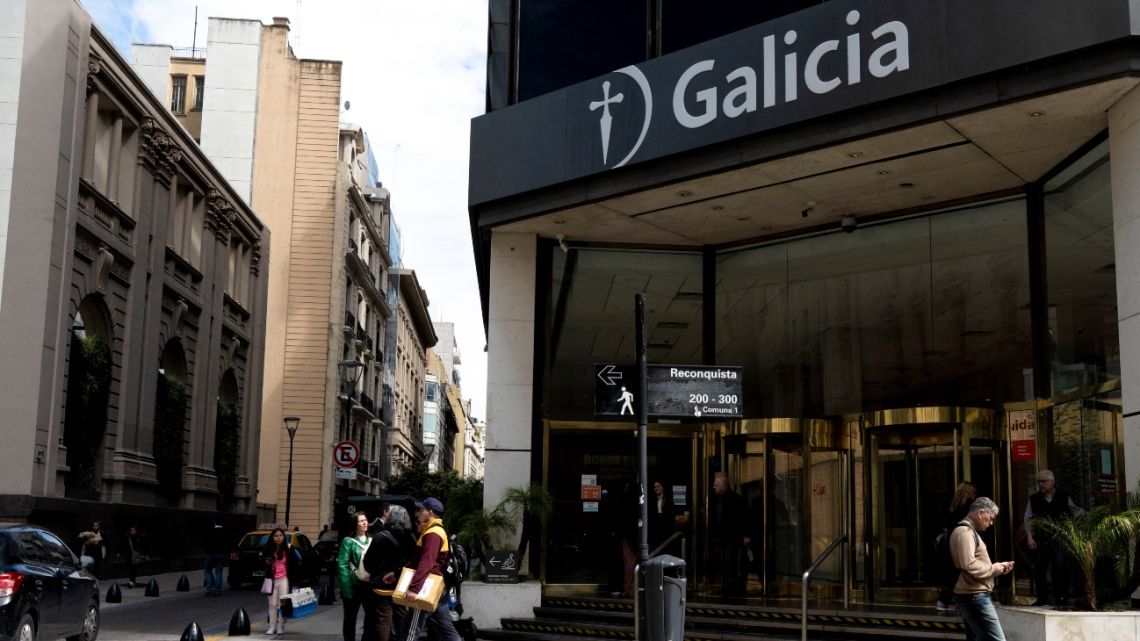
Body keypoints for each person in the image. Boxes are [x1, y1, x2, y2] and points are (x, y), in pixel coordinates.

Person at [395, 497, 461, 641]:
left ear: (429, 512)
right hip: (435, 587)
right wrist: (396, 574)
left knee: (410, 631)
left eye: (421, 509)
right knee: (447, 631)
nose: (418, 512)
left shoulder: (433, 533)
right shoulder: (433, 530)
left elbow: (426, 563)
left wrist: (414, 588)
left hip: (426, 588)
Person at [950, 497, 1015, 641]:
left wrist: (998, 568)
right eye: (990, 519)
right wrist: (994, 569)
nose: (991, 523)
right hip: (974, 595)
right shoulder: (965, 533)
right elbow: (969, 564)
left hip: (972, 594)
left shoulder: (967, 531)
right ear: (980, 513)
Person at [1024, 469, 1085, 606]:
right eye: (1039, 482)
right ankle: (1042, 598)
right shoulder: (1034, 499)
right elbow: (1028, 518)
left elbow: (1077, 511)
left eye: (1043, 481)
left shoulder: (1063, 496)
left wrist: (1071, 524)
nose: (1041, 484)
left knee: (1059, 568)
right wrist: (1029, 536)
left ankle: (1061, 598)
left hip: (1058, 538)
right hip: (1040, 538)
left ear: (1052, 482)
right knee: (1040, 568)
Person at [365, 505, 417, 641]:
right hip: (402, 584)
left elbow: (368, 564)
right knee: (402, 618)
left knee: (383, 620)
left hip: (381, 585)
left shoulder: (379, 537)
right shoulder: (411, 537)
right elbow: (415, 562)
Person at [937, 481, 978, 611]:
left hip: (950, 540)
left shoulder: (951, 505)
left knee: (951, 570)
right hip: (962, 539)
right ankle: (953, 599)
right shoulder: (969, 506)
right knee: (962, 569)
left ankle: (945, 600)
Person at [709, 473, 749, 596]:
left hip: (733, 537)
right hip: (723, 537)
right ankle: (727, 587)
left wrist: (745, 535)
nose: (713, 487)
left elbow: (743, 518)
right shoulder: (717, 500)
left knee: (730, 562)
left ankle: (730, 588)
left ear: (723, 486)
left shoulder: (734, 499)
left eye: (716, 485)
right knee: (726, 563)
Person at [338, 511, 372, 641]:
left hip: (369, 585)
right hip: (353, 585)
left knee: (371, 618)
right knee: (350, 619)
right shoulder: (348, 541)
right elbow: (342, 565)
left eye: (365, 520)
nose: (364, 523)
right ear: (354, 524)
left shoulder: (372, 540)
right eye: (361, 521)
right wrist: (346, 589)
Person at [263, 527, 302, 635]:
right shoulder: (268, 549)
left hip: (284, 579)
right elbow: (262, 563)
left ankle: (280, 627)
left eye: (280, 535)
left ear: (283, 537)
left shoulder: (289, 548)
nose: (278, 538)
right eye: (276, 536)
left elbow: (295, 565)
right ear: (272, 537)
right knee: (272, 604)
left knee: (282, 604)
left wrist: (296, 583)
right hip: (272, 580)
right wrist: (267, 562)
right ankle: (272, 627)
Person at [649, 480, 676, 552]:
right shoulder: (652, 501)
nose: (656, 488)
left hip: (666, 532)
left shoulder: (668, 500)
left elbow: (671, 516)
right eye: (654, 487)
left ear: (663, 488)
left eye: (658, 486)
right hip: (656, 532)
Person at [204, 520, 228, 596]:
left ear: (215, 524)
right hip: (220, 554)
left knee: (207, 570)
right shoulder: (224, 533)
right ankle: (217, 589)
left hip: (211, 554)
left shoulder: (211, 532)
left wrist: (207, 552)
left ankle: (209, 588)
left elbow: (207, 543)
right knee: (219, 572)